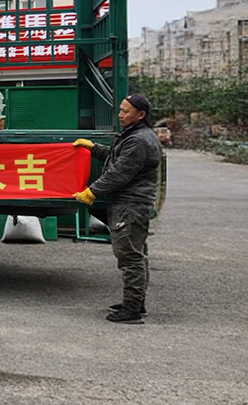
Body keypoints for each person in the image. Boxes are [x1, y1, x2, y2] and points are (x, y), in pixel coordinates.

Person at [73, 94, 162, 324]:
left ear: (140, 115)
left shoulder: (139, 140)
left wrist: (92, 192)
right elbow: (115, 158)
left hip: (131, 205)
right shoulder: (133, 134)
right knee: (135, 253)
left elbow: (119, 173)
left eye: (126, 111)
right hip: (130, 204)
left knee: (130, 256)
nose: (120, 115)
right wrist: (93, 148)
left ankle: (132, 310)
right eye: (120, 110)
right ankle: (136, 302)